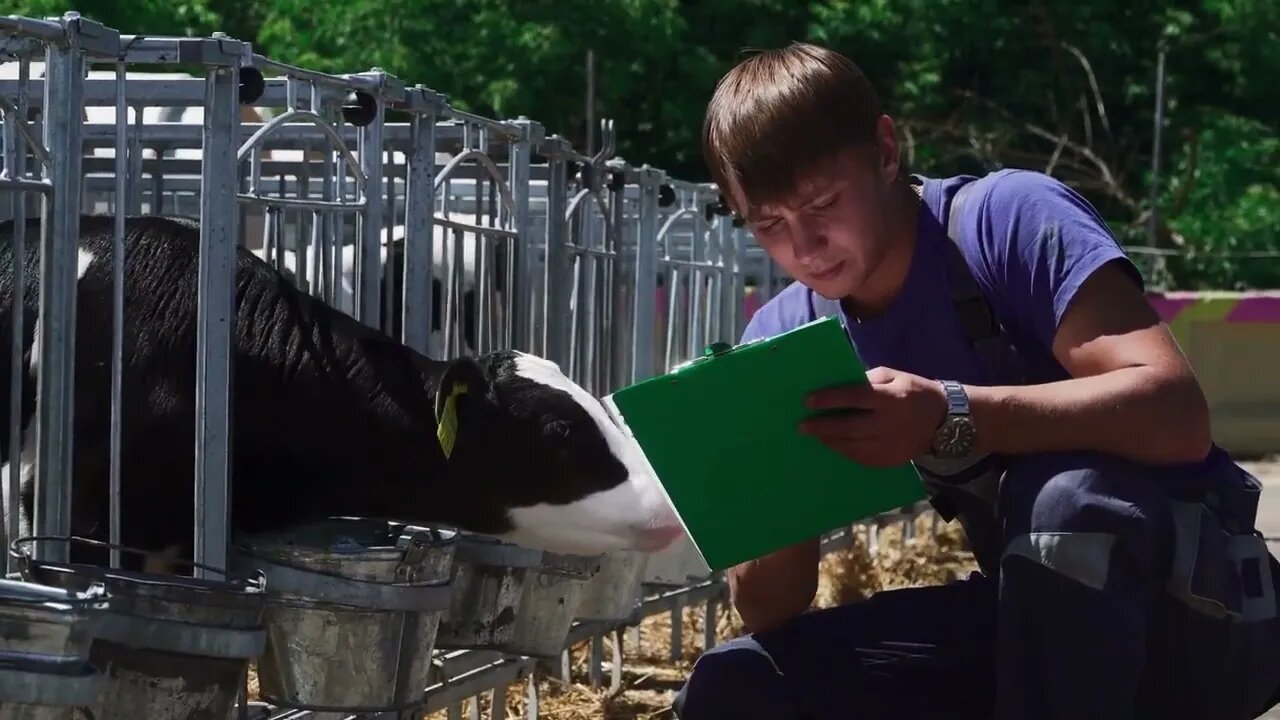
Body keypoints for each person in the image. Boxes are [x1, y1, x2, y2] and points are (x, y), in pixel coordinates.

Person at [672, 42, 1280, 720]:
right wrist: (763, 475)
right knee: (737, 685)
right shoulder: (788, 342)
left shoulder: (1006, 220)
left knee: (1068, 502)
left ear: (884, 149)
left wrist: (948, 413)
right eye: (770, 225)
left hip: (1200, 619)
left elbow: (1178, 414)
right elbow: (767, 607)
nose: (805, 246)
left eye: (823, 203)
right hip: (1035, 632)